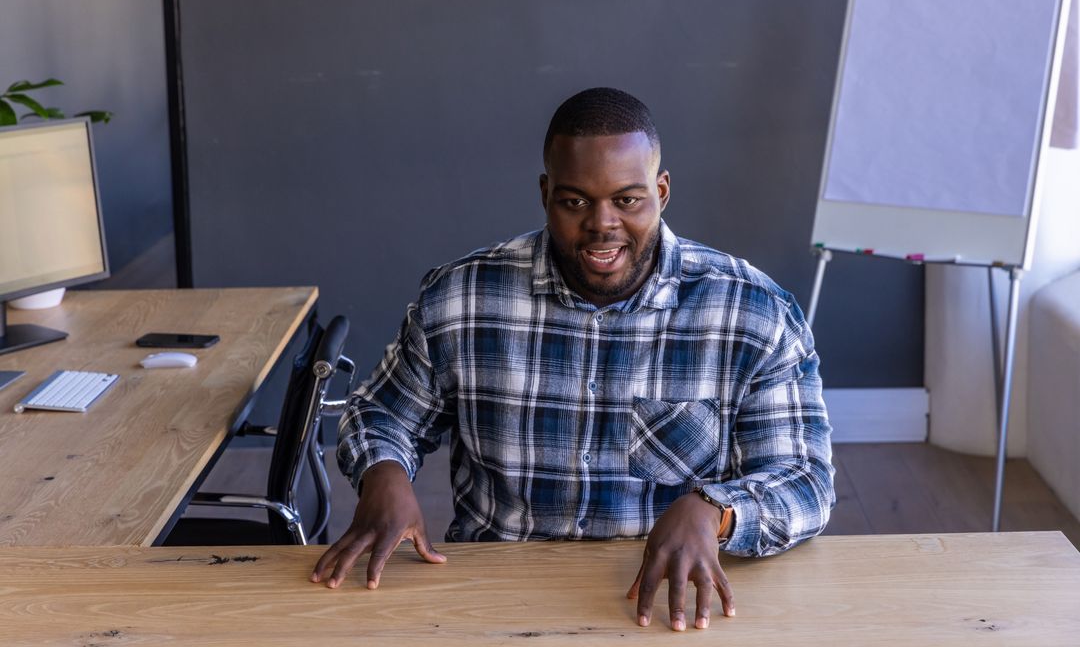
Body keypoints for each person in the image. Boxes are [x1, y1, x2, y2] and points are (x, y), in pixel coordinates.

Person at [311, 87, 834, 631]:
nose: (601, 224)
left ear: (661, 191)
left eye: (628, 199)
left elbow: (806, 480)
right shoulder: (461, 299)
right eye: (575, 201)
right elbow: (383, 413)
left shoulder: (752, 312)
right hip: (492, 602)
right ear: (546, 194)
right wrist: (384, 475)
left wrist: (715, 511)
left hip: (662, 603)